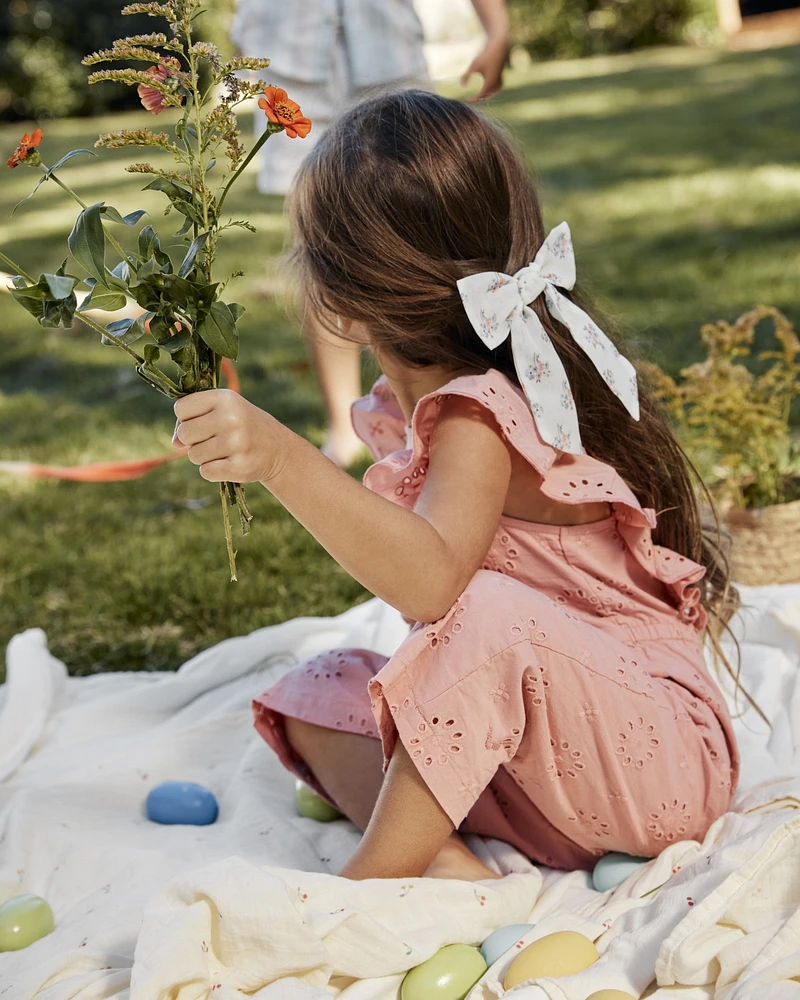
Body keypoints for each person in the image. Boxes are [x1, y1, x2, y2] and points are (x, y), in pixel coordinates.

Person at [173, 91, 739, 882]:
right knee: (323, 685)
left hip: (653, 769)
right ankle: (441, 860)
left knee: (484, 615)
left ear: (339, 298)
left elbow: (436, 581)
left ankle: (372, 882)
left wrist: (282, 458)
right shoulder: (406, 408)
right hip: (541, 780)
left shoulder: (480, 412)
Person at [230, 0, 512, 467]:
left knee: (423, 225)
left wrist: (496, 28)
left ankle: (455, 406)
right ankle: (347, 425)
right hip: (288, 48)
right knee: (321, 241)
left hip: (385, 43)